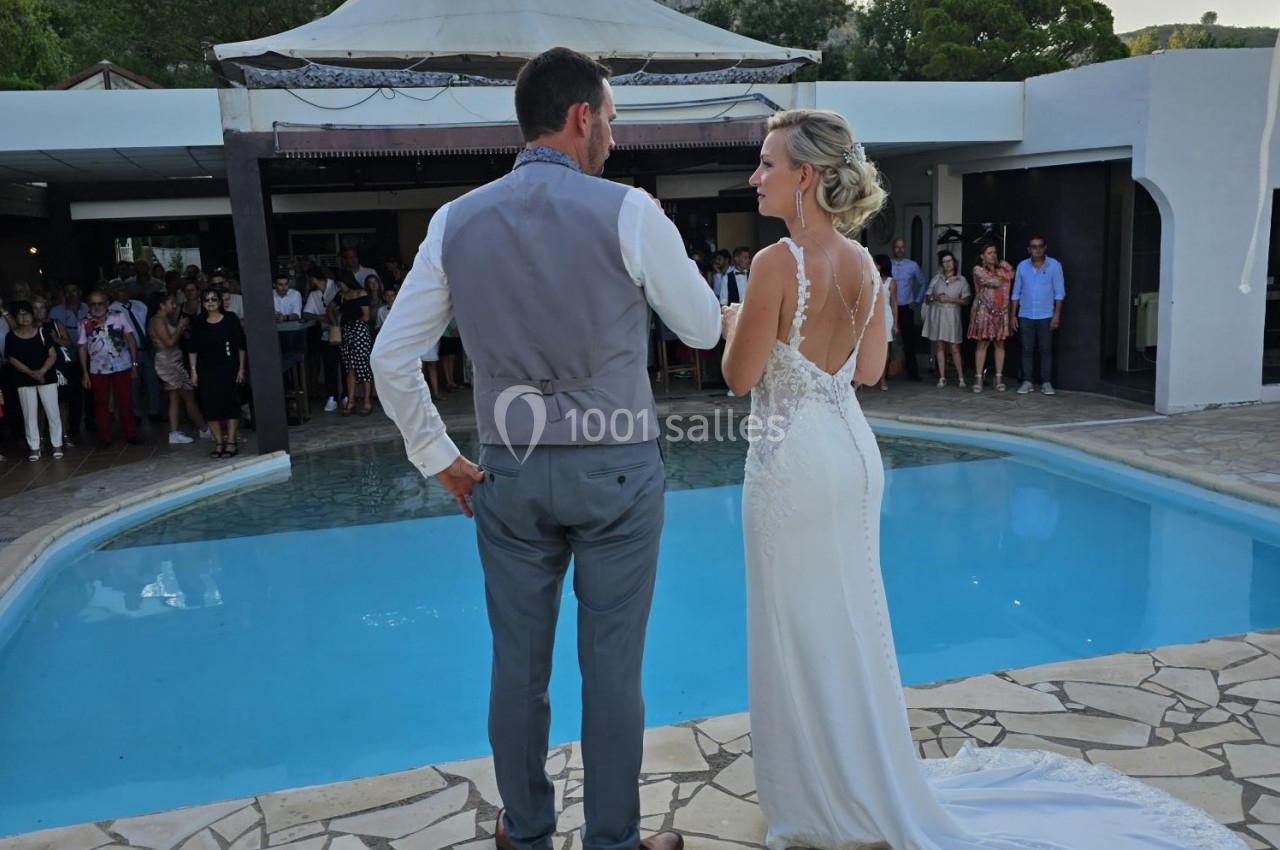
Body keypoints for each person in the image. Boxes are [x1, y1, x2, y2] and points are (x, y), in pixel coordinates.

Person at [721, 107, 1240, 850]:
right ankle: (861, 775)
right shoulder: (866, 265)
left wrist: (741, 323)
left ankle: (814, 795)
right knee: (849, 619)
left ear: (805, 176)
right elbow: (868, 372)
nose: (755, 176)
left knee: (793, 624)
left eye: (768, 163)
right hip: (851, 453)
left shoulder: (775, 264)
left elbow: (741, 378)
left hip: (789, 460)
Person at [372, 47, 720, 850]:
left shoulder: (454, 220)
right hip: (618, 471)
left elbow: (391, 357)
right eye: (611, 119)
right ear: (580, 118)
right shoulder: (628, 211)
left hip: (508, 472)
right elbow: (702, 329)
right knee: (612, 672)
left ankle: (525, 833)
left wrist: (439, 457)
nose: (613, 136)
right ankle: (613, 841)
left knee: (517, 670)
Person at [188, 288, 246, 458]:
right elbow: (192, 349)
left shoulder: (230, 319)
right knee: (210, 407)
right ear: (203, 303)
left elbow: (241, 345)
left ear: (220, 302)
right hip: (206, 370)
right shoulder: (198, 322)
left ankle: (231, 442)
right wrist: (193, 371)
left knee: (231, 405)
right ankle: (218, 442)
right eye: (207, 300)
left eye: (214, 299)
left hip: (229, 368)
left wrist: (241, 369)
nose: (211, 302)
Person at [79, 289, 140, 448]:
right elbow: (82, 348)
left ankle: (131, 433)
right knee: (101, 403)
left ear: (106, 304)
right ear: (88, 305)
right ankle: (104, 437)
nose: (97, 306)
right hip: (98, 369)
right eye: (93, 304)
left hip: (122, 365)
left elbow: (131, 340)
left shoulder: (118, 316)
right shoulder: (84, 322)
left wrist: (134, 365)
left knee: (126, 401)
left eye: (100, 303)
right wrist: (85, 373)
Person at [5, 301, 64, 461]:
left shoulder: (43, 332)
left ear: (33, 315)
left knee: (52, 411)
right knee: (29, 414)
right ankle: (34, 447)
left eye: (27, 314)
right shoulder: (11, 336)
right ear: (16, 318)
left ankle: (57, 444)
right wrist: (31, 372)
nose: (24, 318)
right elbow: (12, 358)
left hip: (46, 376)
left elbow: (52, 354)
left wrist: (42, 371)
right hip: (23, 378)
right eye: (20, 314)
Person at [149, 293, 208, 445]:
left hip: (173, 360)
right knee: (189, 396)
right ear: (162, 305)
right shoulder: (157, 320)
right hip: (168, 362)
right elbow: (169, 343)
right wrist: (181, 327)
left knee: (174, 397)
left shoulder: (164, 319)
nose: (175, 306)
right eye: (172, 303)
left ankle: (174, 433)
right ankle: (204, 429)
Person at [1012, 235, 1066, 395]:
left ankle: (1046, 383)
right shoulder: (1022, 266)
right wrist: (1012, 316)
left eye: (1040, 246)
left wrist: (1057, 315)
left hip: (1046, 315)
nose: (1037, 249)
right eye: (1033, 246)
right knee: (1026, 350)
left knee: (1046, 350)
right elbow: (1016, 293)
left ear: (1045, 248)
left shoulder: (1054, 266)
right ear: (1029, 249)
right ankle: (1027, 381)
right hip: (1026, 315)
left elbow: (1059, 293)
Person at [109, 280, 162, 422]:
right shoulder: (112, 310)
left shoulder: (139, 305)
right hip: (129, 351)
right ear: (113, 293)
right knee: (133, 384)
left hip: (146, 348)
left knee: (152, 381)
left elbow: (147, 323)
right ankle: (136, 413)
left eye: (125, 288)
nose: (124, 291)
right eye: (119, 289)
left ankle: (154, 411)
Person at [968, 242, 1014, 392]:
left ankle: (999, 377)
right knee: (983, 343)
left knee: (1000, 343)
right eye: (989, 253)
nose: (993, 255)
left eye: (994, 252)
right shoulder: (978, 270)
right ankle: (979, 377)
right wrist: (1003, 276)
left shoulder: (1000, 268)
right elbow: (992, 282)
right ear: (982, 256)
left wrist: (1002, 266)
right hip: (984, 311)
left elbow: (1011, 273)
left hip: (1001, 310)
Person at [922, 250, 970, 388]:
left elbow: (966, 300)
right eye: (944, 262)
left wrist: (951, 299)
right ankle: (942, 377)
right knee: (939, 345)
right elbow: (927, 297)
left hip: (952, 315)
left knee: (954, 347)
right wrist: (936, 297)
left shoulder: (962, 280)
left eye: (949, 261)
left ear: (954, 262)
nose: (947, 264)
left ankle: (961, 377)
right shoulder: (937, 278)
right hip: (938, 314)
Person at [330, 271, 374, 415]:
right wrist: (335, 322)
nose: (339, 287)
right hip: (346, 331)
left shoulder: (361, 293)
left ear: (347, 281)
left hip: (359, 330)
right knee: (349, 367)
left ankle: (367, 401)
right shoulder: (340, 296)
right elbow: (329, 308)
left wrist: (348, 320)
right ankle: (351, 401)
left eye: (340, 284)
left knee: (363, 365)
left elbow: (366, 317)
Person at [303, 266, 341, 412]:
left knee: (345, 365)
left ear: (313, 279)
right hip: (327, 333)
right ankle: (332, 396)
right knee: (329, 364)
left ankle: (345, 395)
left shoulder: (335, 285)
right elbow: (306, 313)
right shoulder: (314, 294)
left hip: (342, 328)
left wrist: (329, 318)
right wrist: (322, 318)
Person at [890, 237, 927, 380]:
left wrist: (917, 301)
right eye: (897, 247)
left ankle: (913, 373)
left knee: (909, 341)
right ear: (893, 249)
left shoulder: (912, 266)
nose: (900, 249)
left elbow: (922, 282)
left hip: (906, 307)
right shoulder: (888, 264)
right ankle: (884, 372)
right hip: (890, 307)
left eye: (902, 247)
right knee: (887, 339)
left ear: (905, 249)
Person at [872, 253, 898, 390]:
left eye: (875, 263)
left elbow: (894, 303)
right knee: (871, 346)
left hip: (886, 315)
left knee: (886, 347)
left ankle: (883, 378)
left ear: (880, 265)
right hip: (872, 315)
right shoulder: (871, 279)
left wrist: (896, 324)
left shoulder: (891, 282)